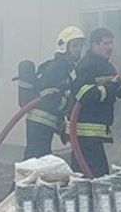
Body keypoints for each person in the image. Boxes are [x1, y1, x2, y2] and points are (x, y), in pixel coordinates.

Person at [70, 27, 121, 176]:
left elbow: (118, 90)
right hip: (84, 135)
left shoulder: (106, 66)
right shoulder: (86, 66)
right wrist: (111, 86)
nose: (110, 47)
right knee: (95, 178)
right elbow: (83, 94)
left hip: (94, 136)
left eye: (111, 43)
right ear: (94, 45)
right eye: (106, 43)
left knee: (93, 177)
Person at [22, 26, 86, 160]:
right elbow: (49, 97)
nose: (79, 49)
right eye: (75, 46)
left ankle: (30, 180)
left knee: (41, 159)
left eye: (80, 46)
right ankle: (22, 181)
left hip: (49, 120)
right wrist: (67, 109)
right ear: (64, 47)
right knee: (35, 159)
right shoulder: (56, 67)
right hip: (40, 120)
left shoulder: (67, 67)